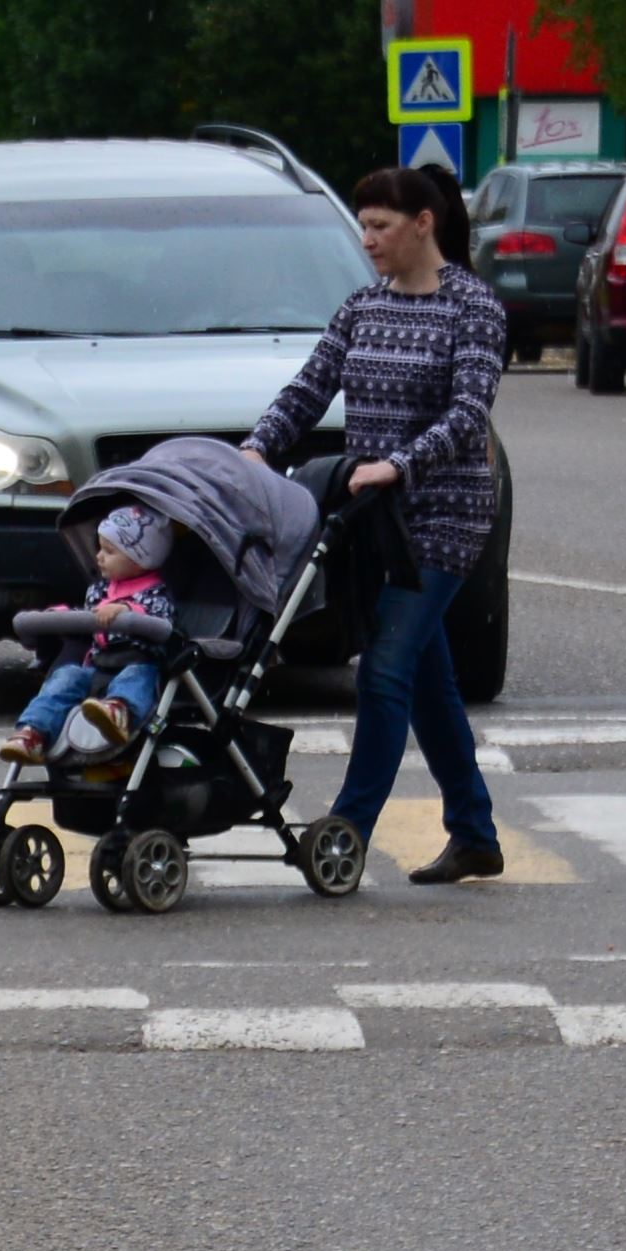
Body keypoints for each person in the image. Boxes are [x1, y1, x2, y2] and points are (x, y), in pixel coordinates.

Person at [245, 161, 510, 885]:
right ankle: (475, 833)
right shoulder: (362, 307)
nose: (367, 239)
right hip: (375, 518)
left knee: (385, 668)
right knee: (427, 678)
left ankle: (347, 831)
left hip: (446, 515)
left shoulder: (473, 308)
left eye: (381, 225)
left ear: (424, 225)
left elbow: (467, 415)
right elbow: (309, 387)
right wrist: (256, 449)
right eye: (362, 225)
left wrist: (399, 463)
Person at [3, 502, 182, 776]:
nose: (98, 557)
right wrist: (62, 615)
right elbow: (90, 617)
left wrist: (126, 610)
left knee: (137, 675)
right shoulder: (100, 589)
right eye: (99, 548)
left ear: (139, 559)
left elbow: (161, 619)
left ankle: (119, 711)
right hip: (97, 666)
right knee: (66, 677)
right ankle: (33, 732)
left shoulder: (155, 591)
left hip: (137, 662)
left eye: (109, 551)